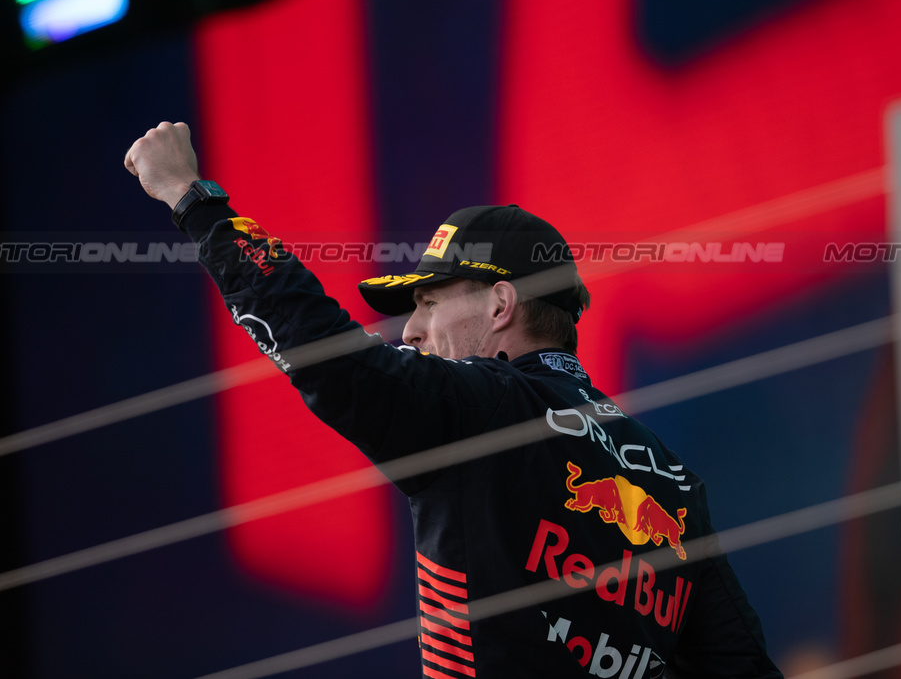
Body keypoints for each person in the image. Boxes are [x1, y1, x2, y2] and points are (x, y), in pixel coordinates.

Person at [126, 121, 782, 678]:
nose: (410, 330)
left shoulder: (481, 405)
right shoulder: (670, 479)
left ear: (501, 304)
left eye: (431, 303)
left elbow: (322, 348)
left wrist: (194, 199)